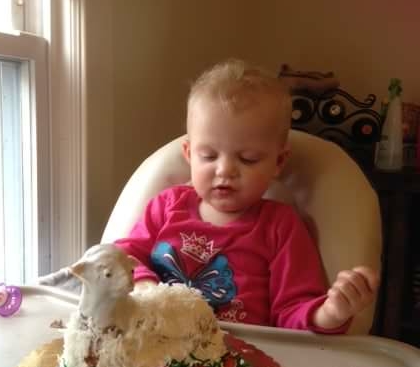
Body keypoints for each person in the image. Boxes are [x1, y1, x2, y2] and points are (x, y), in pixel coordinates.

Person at [115, 59, 379, 333]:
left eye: (248, 158)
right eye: (209, 156)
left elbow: (292, 313)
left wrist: (330, 313)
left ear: (278, 162)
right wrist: (143, 285)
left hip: (241, 352)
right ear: (189, 154)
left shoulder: (280, 227)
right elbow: (121, 256)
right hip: (158, 341)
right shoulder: (166, 207)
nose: (225, 170)